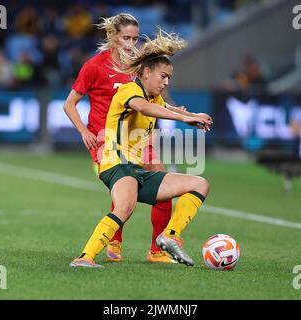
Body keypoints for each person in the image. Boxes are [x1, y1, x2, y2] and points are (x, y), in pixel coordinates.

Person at [69, 30, 213, 268]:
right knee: (125, 207)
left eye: (169, 78)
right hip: (115, 162)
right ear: (146, 72)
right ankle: (84, 258)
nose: (166, 82)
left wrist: (193, 115)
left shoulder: (153, 98)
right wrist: (184, 119)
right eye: (163, 76)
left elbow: (164, 106)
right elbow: (144, 109)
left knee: (200, 184)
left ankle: (170, 236)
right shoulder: (129, 90)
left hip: (136, 168)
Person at [64, 14, 179, 263]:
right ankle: (114, 239)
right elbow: (70, 103)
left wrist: (178, 112)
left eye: (135, 39)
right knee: (124, 188)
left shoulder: (139, 66)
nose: (130, 43)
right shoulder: (94, 66)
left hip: (138, 138)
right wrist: (85, 132)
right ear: (112, 36)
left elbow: (154, 96)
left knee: (165, 187)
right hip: (106, 139)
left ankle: (156, 251)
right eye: (126, 38)